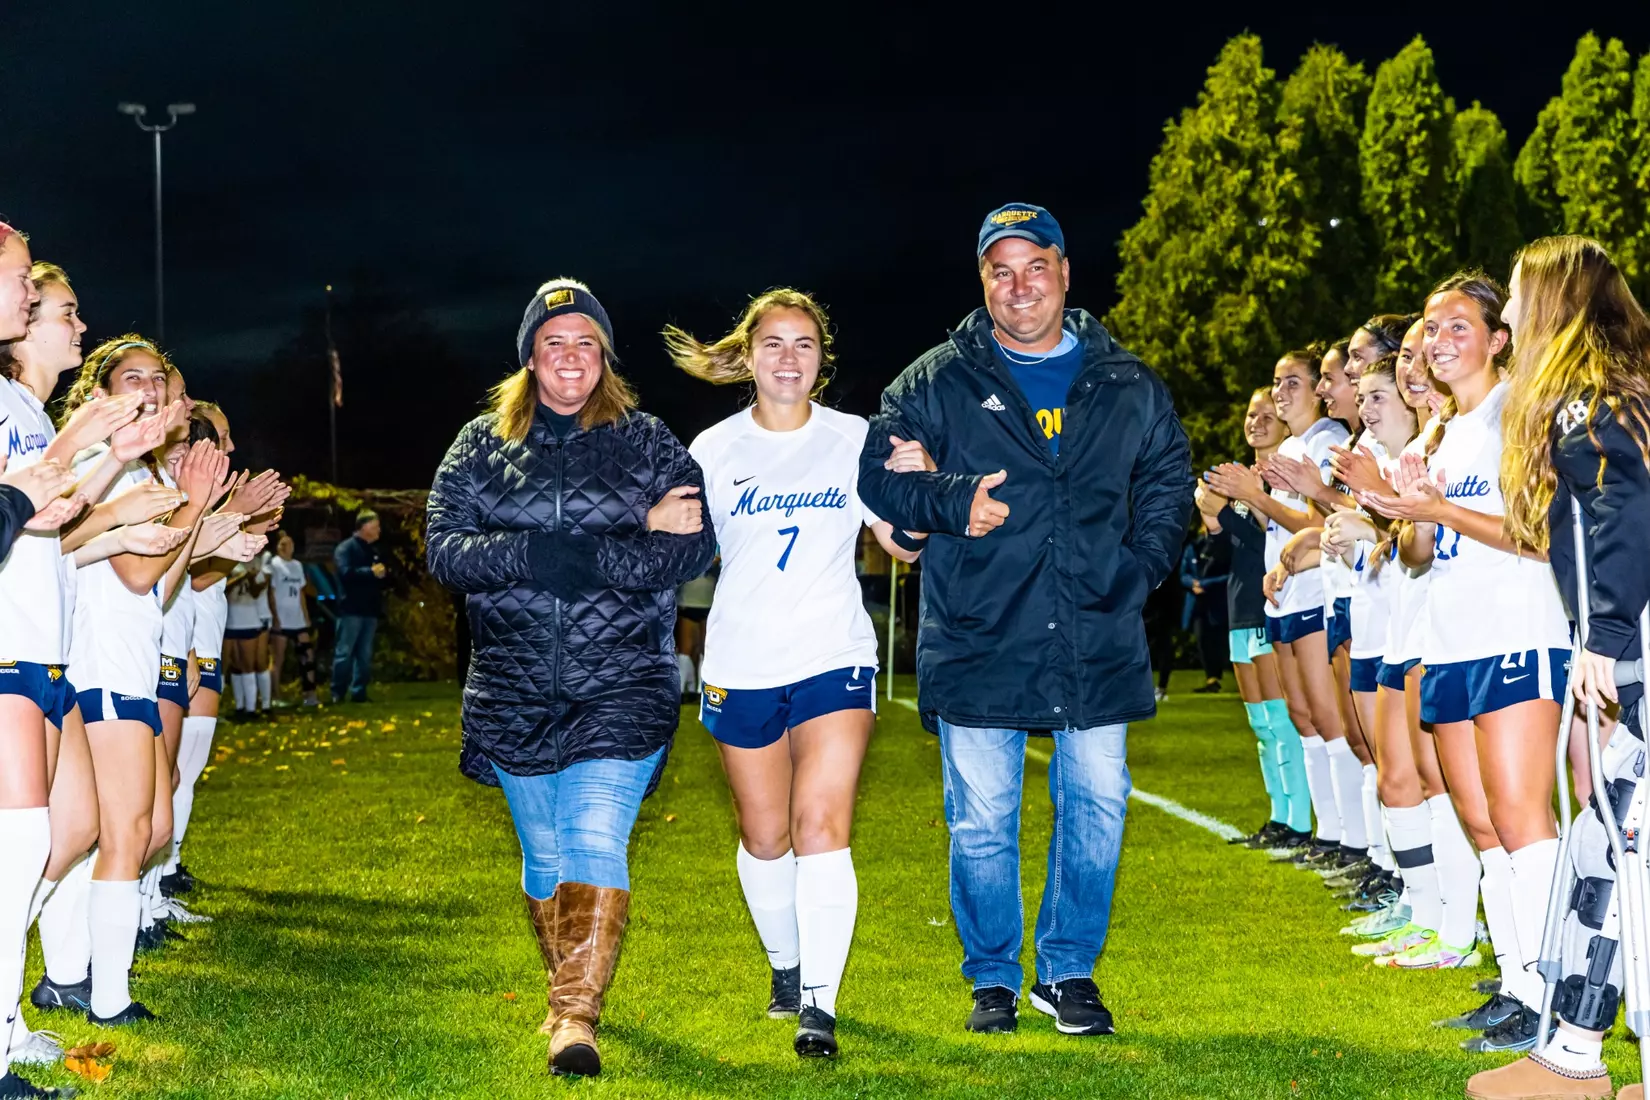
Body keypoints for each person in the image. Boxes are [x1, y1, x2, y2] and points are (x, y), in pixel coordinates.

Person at [857, 204, 1192, 1036]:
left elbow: (1167, 477)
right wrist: (951, 499)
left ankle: (1068, 970)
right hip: (980, 632)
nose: (1019, 286)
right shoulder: (936, 380)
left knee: (1099, 805)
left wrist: (1142, 569)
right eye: (1000, 271)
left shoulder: (1126, 381)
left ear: (1065, 273)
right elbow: (877, 475)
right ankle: (993, 978)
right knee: (981, 821)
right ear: (982, 282)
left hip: (1096, 632)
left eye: (1034, 266)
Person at [426, 278, 715, 1077]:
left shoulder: (645, 440)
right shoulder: (479, 445)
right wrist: (573, 544)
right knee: (546, 854)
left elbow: (691, 544)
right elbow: (446, 551)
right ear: (529, 356)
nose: (571, 357)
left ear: (605, 357)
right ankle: (565, 998)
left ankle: (576, 1019)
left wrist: (573, 554)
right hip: (512, 689)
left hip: (622, 684)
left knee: (592, 835)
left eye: (587, 343)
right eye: (554, 342)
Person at [666, 288, 925, 1057]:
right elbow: (680, 550)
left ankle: (819, 1005)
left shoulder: (855, 438)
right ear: (748, 357)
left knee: (820, 827)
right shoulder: (713, 448)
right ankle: (786, 966)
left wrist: (916, 483)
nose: (788, 358)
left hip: (832, 655)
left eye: (803, 344)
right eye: (773, 343)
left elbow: (903, 543)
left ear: (821, 360)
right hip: (741, 661)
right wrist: (655, 523)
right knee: (766, 835)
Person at [1463, 236, 1650, 1100]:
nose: (1508, 311)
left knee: (1623, 847)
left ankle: (1578, 1053)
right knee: (1605, 844)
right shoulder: (1620, 392)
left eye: (1514, 294)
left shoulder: (1592, 402)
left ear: (1551, 302)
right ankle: (1573, 1051)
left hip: (1635, 640)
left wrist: (1602, 636)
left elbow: (1620, 512)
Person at [1362, 272, 1571, 1033]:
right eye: (1432, 327)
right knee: (1482, 822)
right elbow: (1420, 554)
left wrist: (1438, 508)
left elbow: (1539, 536)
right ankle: (1516, 984)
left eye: (1460, 326)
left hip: (1516, 633)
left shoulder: (1520, 413)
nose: (1440, 340)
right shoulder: (1443, 432)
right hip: (1450, 643)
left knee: (1520, 817)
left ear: (1498, 339)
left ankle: (1552, 1000)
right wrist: (1410, 512)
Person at [1205, 348, 1355, 868]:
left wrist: (1256, 497)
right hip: (1284, 595)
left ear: (1316, 390)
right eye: (1277, 381)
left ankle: (1351, 842)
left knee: (1332, 721)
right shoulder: (1292, 446)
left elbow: (1319, 522)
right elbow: (1278, 529)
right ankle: (1327, 833)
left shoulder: (1328, 441)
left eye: (1294, 382)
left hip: (1316, 593)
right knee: (1304, 718)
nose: (1281, 392)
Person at [1199, 388, 1311, 849]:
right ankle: (1278, 817)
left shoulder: (1281, 481)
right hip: (1240, 609)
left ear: (1285, 425)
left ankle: (1298, 823)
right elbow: (1226, 554)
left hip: (1272, 605)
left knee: (1282, 722)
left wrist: (1226, 511)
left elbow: (1275, 541)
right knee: (1262, 725)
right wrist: (1212, 520)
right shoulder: (1242, 480)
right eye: (1251, 414)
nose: (1256, 422)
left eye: (1267, 415)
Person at [331, 510, 385, 704]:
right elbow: (345, 573)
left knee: (364, 654)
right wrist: (370, 572)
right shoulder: (345, 549)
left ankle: (359, 692)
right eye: (375, 526)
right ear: (365, 526)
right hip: (350, 609)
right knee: (345, 652)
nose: (379, 530)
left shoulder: (373, 550)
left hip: (369, 610)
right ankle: (338, 692)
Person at [269, 531, 319, 707]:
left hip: (297, 619)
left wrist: (305, 616)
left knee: (307, 655)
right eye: (283, 544)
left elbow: (301, 593)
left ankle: (309, 693)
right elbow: (271, 593)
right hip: (282, 619)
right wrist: (275, 617)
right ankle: (275, 695)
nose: (287, 547)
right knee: (278, 658)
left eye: (289, 543)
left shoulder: (297, 565)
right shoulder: (274, 564)